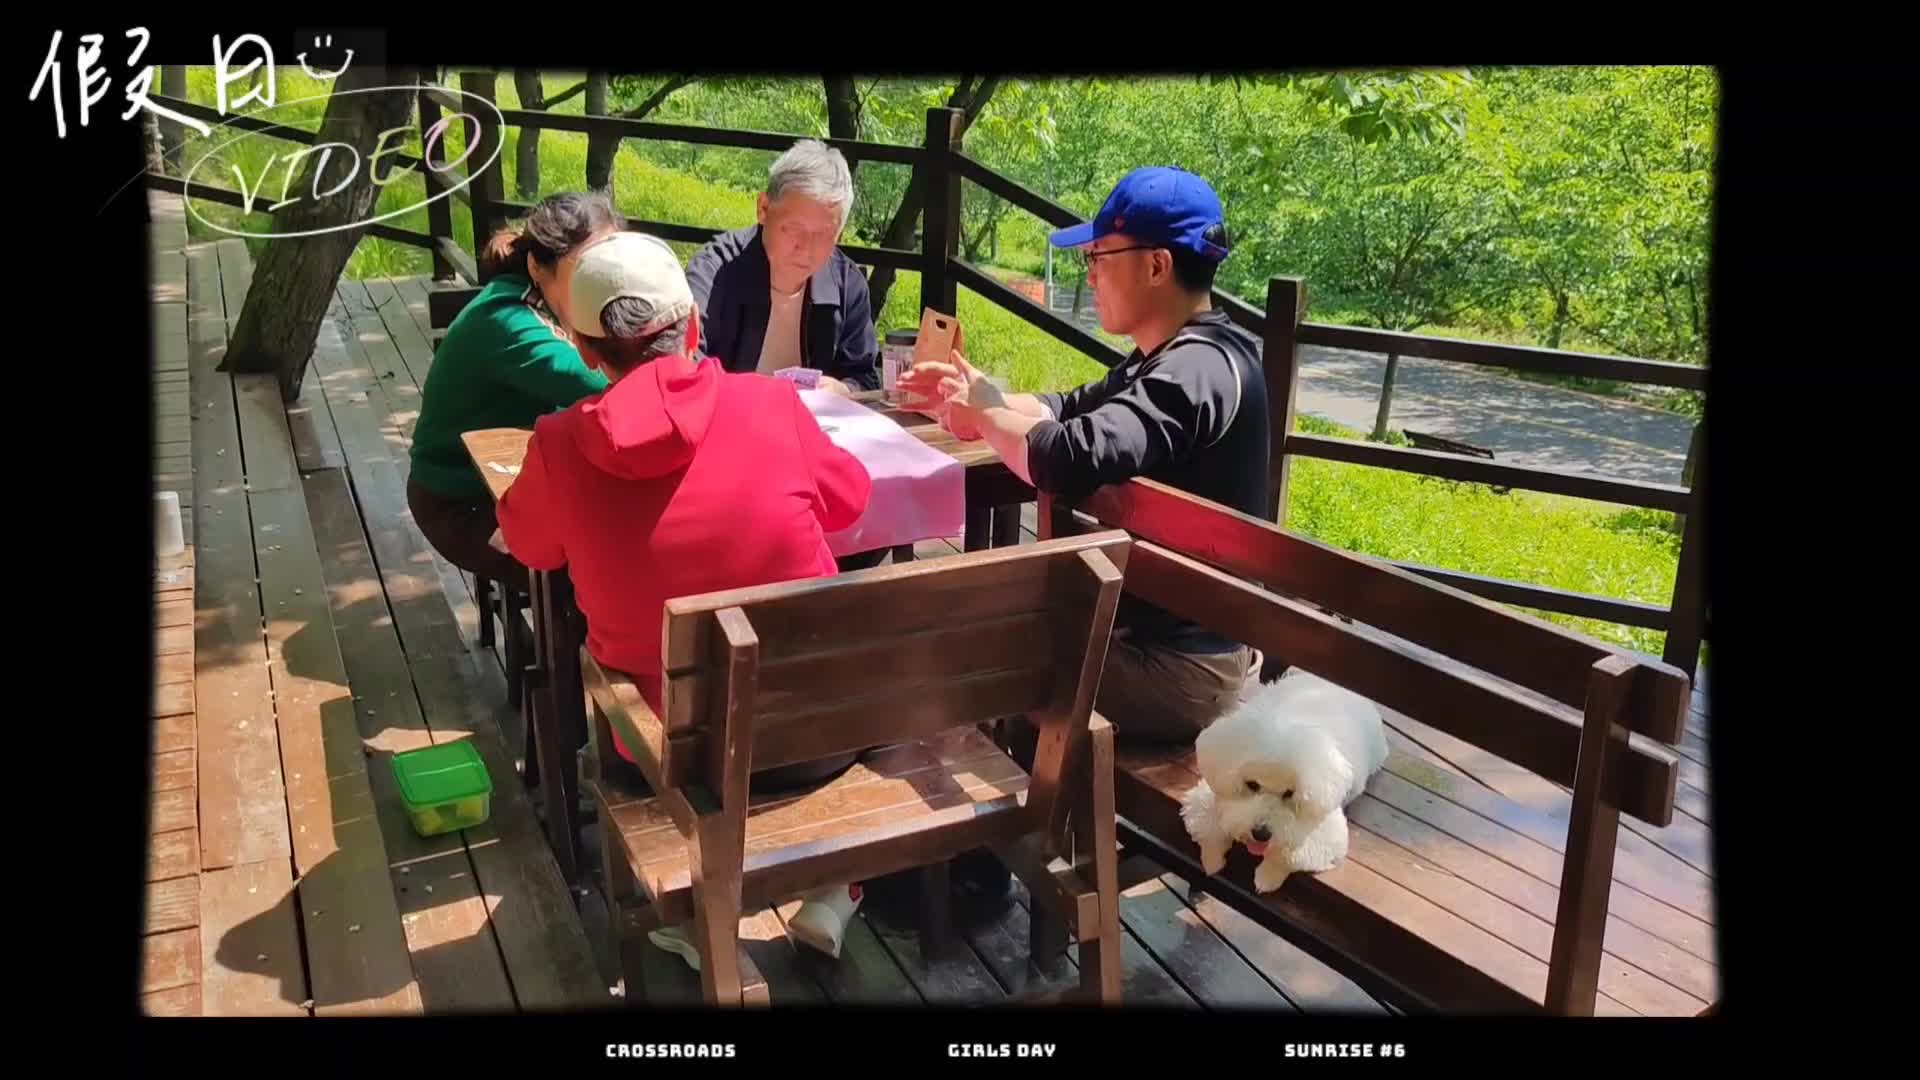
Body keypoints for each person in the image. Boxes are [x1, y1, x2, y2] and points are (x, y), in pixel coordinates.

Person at [494, 231, 874, 967]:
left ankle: (694, 917)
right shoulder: (770, 404)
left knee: (614, 688)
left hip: (674, 758)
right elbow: (851, 499)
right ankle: (836, 884)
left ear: (585, 349)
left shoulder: (560, 444)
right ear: (694, 326)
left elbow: (530, 546)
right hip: (820, 737)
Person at [900, 166, 1272, 743]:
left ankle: (1008, 800)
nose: (1091, 275)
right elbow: (1068, 408)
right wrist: (974, 396)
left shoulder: (1196, 369)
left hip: (1181, 671)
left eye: (1099, 257)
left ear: (1157, 266)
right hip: (1146, 639)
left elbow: (1069, 458)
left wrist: (988, 417)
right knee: (970, 620)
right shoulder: (1177, 356)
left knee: (962, 640)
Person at [683, 139, 894, 573]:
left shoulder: (846, 281)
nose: (807, 250)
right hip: (729, 452)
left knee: (876, 507)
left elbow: (865, 376)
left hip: (812, 448)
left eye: (825, 236)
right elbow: (687, 370)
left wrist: (840, 389)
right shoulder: (713, 272)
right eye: (793, 230)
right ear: (764, 209)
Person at [407, 192, 623, 593]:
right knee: (587, 570)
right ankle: (570, 633)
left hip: (513, 479)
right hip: (461, 501)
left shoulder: (553, 301)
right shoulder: (507, 320)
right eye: (587, 267)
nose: (604, 278)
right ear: (537, 266)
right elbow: (600, 382)